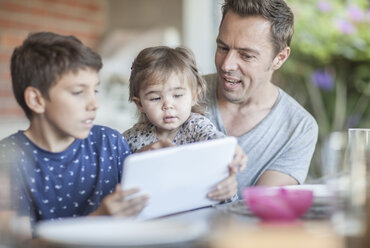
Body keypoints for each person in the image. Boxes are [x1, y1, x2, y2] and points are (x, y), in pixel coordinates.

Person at [0, 32, 149, 231]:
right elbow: (20, 244)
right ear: (36, 100)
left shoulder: (110, 142)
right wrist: (98, 219)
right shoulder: (8, 160)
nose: (94, 104)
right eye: (78, 92)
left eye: (94, 91)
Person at [204, 0, 318, 196]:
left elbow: (259, 211)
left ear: (279, 58)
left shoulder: (298, 127)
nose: (227, 65)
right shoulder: (180, 95)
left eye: (246, 56)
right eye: (223, 48)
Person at [123, 46, 247, 201]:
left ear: (194, 96)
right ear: (140, 104)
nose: (168, 105)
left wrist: (231, 148)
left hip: (204, 204)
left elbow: (215, 139)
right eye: (155, 98)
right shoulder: (131, 139)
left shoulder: (196, 126)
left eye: (177, 95)